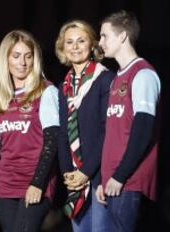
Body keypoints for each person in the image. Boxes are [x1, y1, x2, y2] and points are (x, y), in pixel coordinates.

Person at [0, 30, 60, 232]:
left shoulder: (46, 91)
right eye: (16, 56)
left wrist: (37, 183)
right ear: (5, 59)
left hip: (36, 184)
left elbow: (52, 142)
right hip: (5, 185)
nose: (22, 62)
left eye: (28, 56)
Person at [96, 10, 161, 232]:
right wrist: (104, 180)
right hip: (112, 181)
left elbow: (142, 131)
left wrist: (120, 175)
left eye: (104, 36)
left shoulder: (143, 74)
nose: (100, 42)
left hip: (128, 181)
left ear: (122, 36)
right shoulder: (117, 79)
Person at [55, 20, 115, 231]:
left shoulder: (105, 79)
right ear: (63, 48)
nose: (75, 46)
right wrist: (68, 174)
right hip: (74, 180)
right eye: (69, 42)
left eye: (81, 41)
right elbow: (62, 133)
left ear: (92, 45)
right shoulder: (63, 86)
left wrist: (86, 172)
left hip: (99, 176)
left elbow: (107, 131)